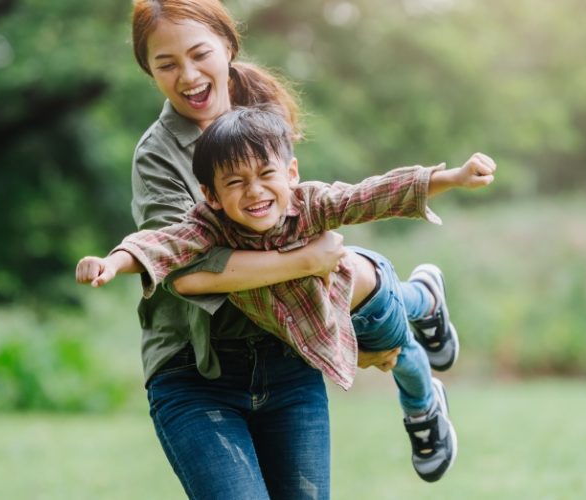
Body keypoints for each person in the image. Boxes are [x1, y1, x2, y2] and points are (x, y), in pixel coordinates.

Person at [76, 106, 498, 481]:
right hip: (309, 325)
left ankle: (424, 316)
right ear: (211, 195)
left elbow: (371, 195)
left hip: (360, 300)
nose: (255, 191)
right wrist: (112, 262)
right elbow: (161, 244)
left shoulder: (311, 203)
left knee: (395, 345)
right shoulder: (208, 226)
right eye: (236, 182)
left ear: (291, 173)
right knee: (393, 342)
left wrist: (451, 177)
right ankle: (423, 298)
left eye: (266, 175)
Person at [101, 1, 401, 498]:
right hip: (197, 369)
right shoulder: (157, 154)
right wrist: (304, 261)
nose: (189, 76)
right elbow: (187, 266)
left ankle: (413, 332)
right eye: (167, 64)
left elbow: (319, 208)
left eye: (200, 55)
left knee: (367, 278)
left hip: (286, 360)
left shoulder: (263, 120)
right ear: (148, 71)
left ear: (228, 47)